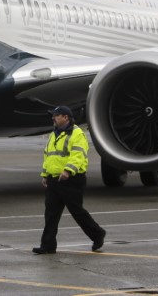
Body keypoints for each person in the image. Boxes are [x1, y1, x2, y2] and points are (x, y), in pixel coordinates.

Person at [33, 105, 106, 254]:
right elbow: (49, 155)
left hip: (71, 179)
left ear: (66, 117)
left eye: (56, 115)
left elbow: (78, 155)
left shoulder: (77, 134)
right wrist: (45, 174)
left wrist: (68, 170)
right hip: (54, 180)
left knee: (77, 212)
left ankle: (98, 234)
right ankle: (48, 245)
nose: (53, 118)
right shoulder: (54, 134)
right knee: (51, 214)